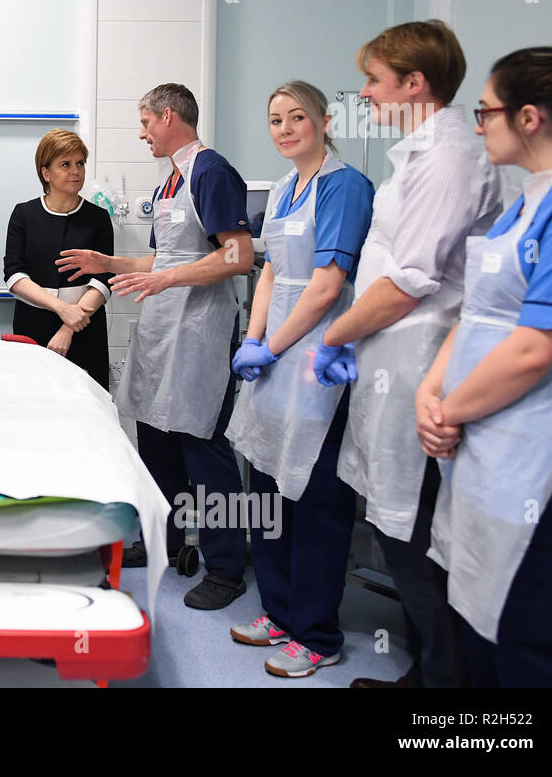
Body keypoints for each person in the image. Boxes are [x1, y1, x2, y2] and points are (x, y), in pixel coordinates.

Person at [316, 20, 503, 689]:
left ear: (414, 83)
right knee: (400, 530)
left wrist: (332, 335)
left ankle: (446, 688)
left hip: (423, 360)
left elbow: (411, 282)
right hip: (392, 358)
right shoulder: (420, 156)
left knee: (413, 535)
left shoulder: (451, 158)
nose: (363, 93)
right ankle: (430, 674)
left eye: (374, 79)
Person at [418, 41, 552, 687]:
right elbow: (478, 315)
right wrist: (430, 394)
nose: (478, 123)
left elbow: (536, 347)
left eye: (485, 111)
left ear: (530, 117)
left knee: (532, 650)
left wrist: (448, 411)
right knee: (480, 632)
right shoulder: (524, 204)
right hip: (484, 454)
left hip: (544, 471)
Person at [58, 84, 254, 608]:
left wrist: (169, 280)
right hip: (162, 327)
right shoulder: (171, 179)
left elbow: (238, 256)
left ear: (169, 116)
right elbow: (161, 259)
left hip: (198, 330)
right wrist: (109, 263)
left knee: (202, 447)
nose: (142, 133)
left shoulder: (211, 172)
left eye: (145, 122)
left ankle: (226, 567)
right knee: (157, 440)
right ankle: (167, 543)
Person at [224, 81, 374, 677]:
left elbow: (327, 285)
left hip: (318, 359)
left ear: (323, 121)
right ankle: (280, 612)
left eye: (296, 118)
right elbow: (268, 273)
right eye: (275, 120)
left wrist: (276, 348)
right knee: (266, 485)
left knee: (314, 497)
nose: (284, 129)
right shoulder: (285, 188)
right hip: (276, 353)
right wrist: (254, 340)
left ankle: (317, 632)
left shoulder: (346, 186)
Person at [4, 129, 113, 387]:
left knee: (89, 403)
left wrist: (69, 326)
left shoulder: (98, 218)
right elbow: (14, 275)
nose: (76, 171)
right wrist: (62, 309)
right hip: (34, 323)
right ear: (46, 173)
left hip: (85, 326)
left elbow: (103, 279)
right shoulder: (24, 215)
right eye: (65, 164)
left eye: (80, 163)